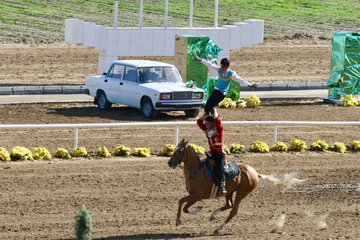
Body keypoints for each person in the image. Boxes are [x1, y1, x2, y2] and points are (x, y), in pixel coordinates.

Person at [194, 53, 259, 115]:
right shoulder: (219, 69)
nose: (222, 68)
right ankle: (209, 118)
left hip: (221, 94)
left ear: (227, 66)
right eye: (221, 66)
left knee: (209, 107)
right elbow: (211, 65)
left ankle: (214, 117)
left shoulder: (231, 74)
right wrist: (201, 60)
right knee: (206, 107)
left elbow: (240, 80)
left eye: (223, 67)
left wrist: (249, 85)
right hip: (216, 91)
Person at [197, 108, 227, 196]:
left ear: (213, 123)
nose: (206, 125)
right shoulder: (207, 130)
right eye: (206, 123)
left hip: (219, 153)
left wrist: (215, 113)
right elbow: (199, 122)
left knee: (220, 169)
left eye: (208, 123)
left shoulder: (219, 129)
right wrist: (205, 115)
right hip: (212, 152)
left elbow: (218, 122)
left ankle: (222, 186)